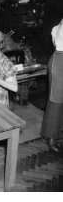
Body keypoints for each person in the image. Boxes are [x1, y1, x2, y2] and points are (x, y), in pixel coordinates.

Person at [41, 20, 63, 153]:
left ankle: (57, 134)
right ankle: (50, 137)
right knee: (56, 101)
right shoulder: (59, 27)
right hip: (59, 62)